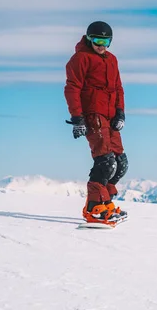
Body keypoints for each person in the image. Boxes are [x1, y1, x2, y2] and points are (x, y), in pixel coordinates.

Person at [64, 21, 128, 224]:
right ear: (89, 38)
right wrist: (77, 119)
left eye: (106, 41)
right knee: (105, 162)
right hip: (93, 116)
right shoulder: (80, 59)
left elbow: (118, 88)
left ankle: (105, 201)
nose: (102, 46)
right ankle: (94, 208)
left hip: (110, 117)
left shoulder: (112, 60)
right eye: (98, 41)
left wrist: (120, 113)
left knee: (120, 163)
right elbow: (72, 88)